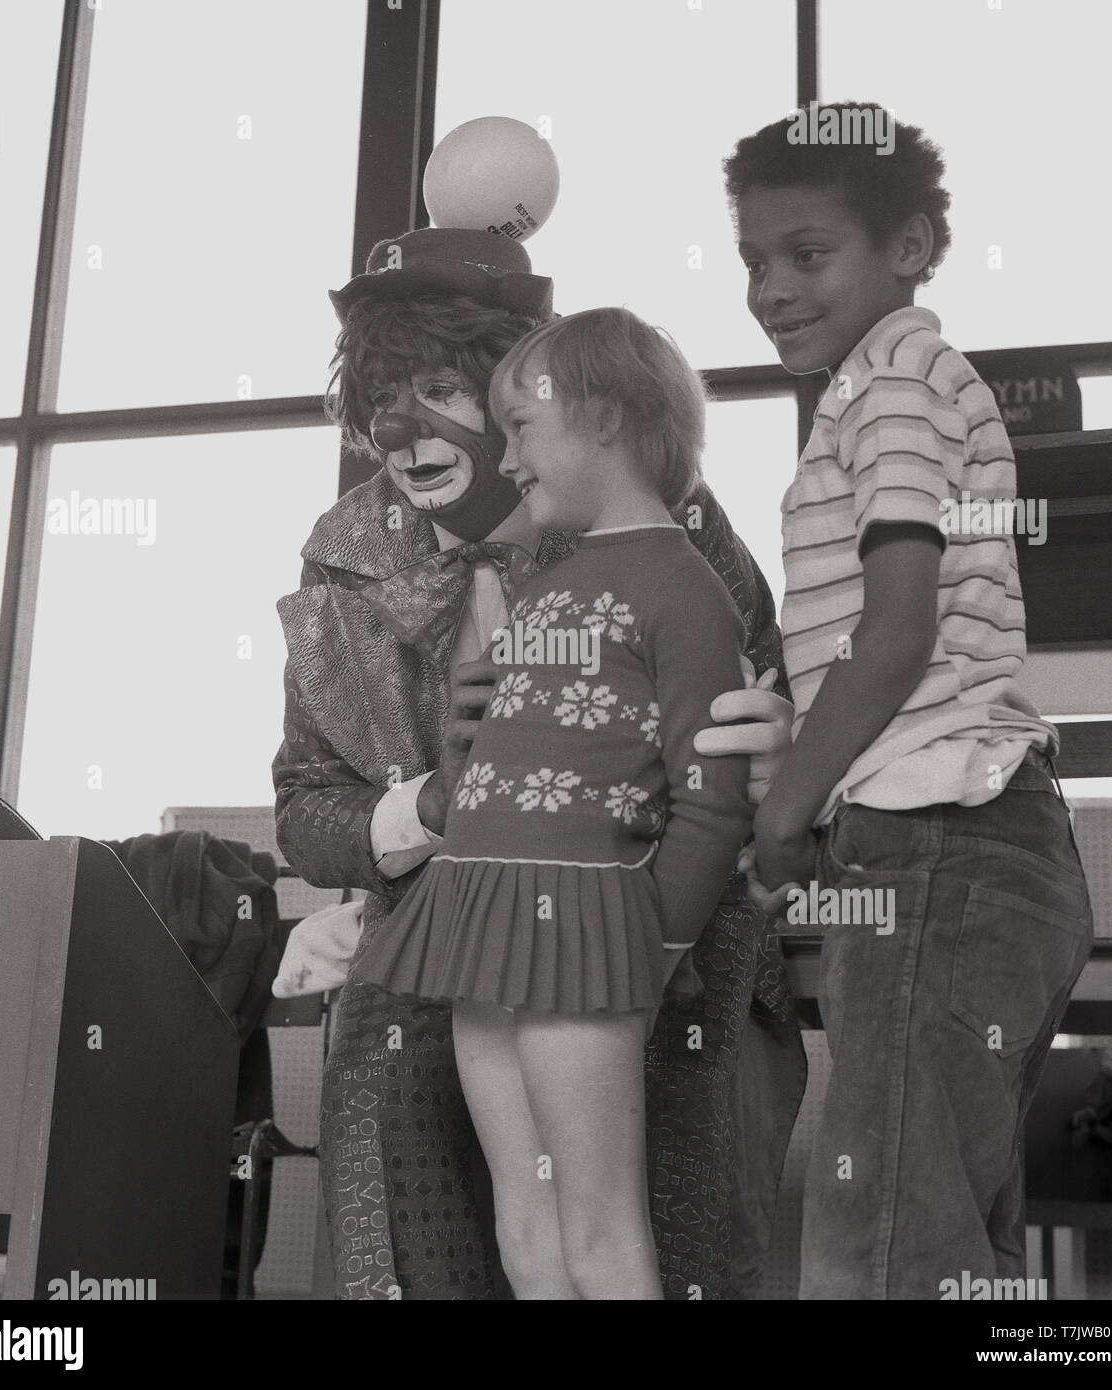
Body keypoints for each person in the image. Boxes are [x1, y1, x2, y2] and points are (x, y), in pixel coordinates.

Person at [273, 227, 801, 1299]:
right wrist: (431, 799)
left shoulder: (659, 526)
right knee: (406, 1149)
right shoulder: (343, 559)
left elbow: (753, 725)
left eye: (435, 386)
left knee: (656, 1192)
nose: (397, 426)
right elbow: (304, 812)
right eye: (378, 393)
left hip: (637, 914)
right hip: (442, 924)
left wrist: (767, 753)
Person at [725, 103, 1095, 1298]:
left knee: (878, 1238)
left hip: (936, 837)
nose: (769, 288)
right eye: (751, 261)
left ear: (912, 246)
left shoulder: (889, 382)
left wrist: (784, 809)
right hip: (991, 841)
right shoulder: (907, 385)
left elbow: (893, 635)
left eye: (806, 253)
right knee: (955, 1252)